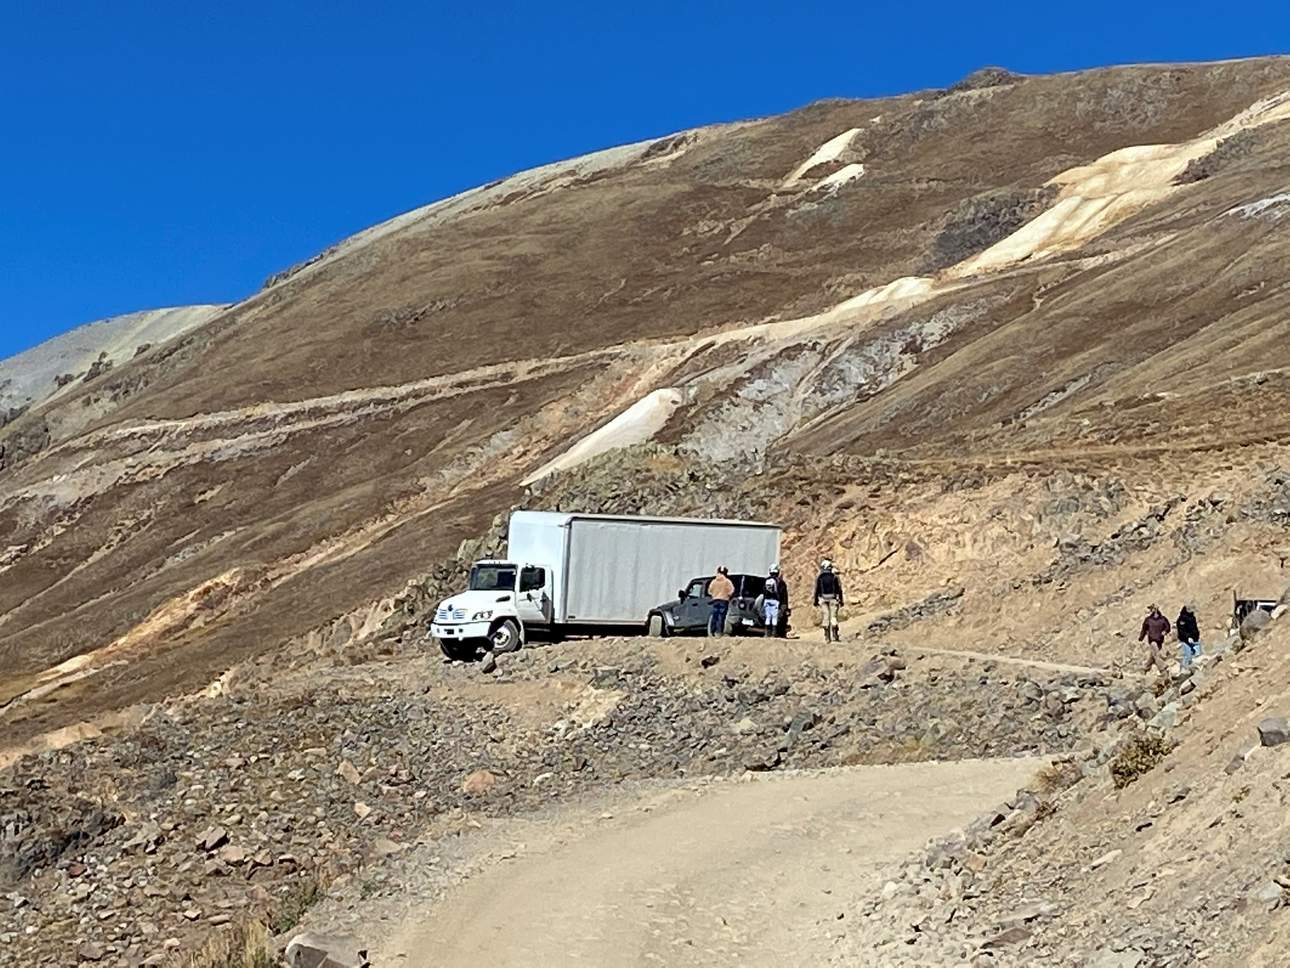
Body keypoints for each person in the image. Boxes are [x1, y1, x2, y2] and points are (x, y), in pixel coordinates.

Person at [813, 559, 844, 642]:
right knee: (833, 617)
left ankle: (827, 637)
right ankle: (835, 635)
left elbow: (817, 590)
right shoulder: (834, 577)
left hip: (823, 598)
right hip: (833, 598)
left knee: (825, 616)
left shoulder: (820, 577)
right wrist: (841, 600)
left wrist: (815, 601)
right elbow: (839, 590)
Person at [1139, 604, 1171, 675]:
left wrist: (1165, 631)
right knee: (1156, 654)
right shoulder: (1148, 620)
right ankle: (1163, 669)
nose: (1150, 610)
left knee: (1153, 655)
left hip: (1160, 640)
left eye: (1151, 609)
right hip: (1152, 640)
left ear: (1155, 610)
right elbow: (1144, 629)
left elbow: (1168, 627)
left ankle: (1145, 668)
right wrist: (1141, 638)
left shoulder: (1163, 619)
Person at [708, 566, 734, 637]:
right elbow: (731, 591)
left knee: (714, 616)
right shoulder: (727, 581)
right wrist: (727, 595)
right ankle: (719, 632)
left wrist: (714, 595)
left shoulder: (713, 582)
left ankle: (712, 631)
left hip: (715, 600)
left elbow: (709, 591)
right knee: (721, 616)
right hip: (724, 600)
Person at [1176, 604, 1202, 670]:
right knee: (1187, 656)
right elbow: (1181, 631)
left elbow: (1194, 628)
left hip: (1195, 640)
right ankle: (1184, 671)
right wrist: (1188, 637)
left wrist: (1196, 635)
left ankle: (1195, 670)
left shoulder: (1192, 617)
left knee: (1198, 656)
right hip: (1186, 641)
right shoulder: (1181, 619)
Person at [769, 563, 790, 637]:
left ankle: (769, 633)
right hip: (779, 603)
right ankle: (778, 633)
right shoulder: (781, 582)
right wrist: (785, 606)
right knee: (781, 619)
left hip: (768, 603)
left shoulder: (766, 581)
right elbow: (784, 596)